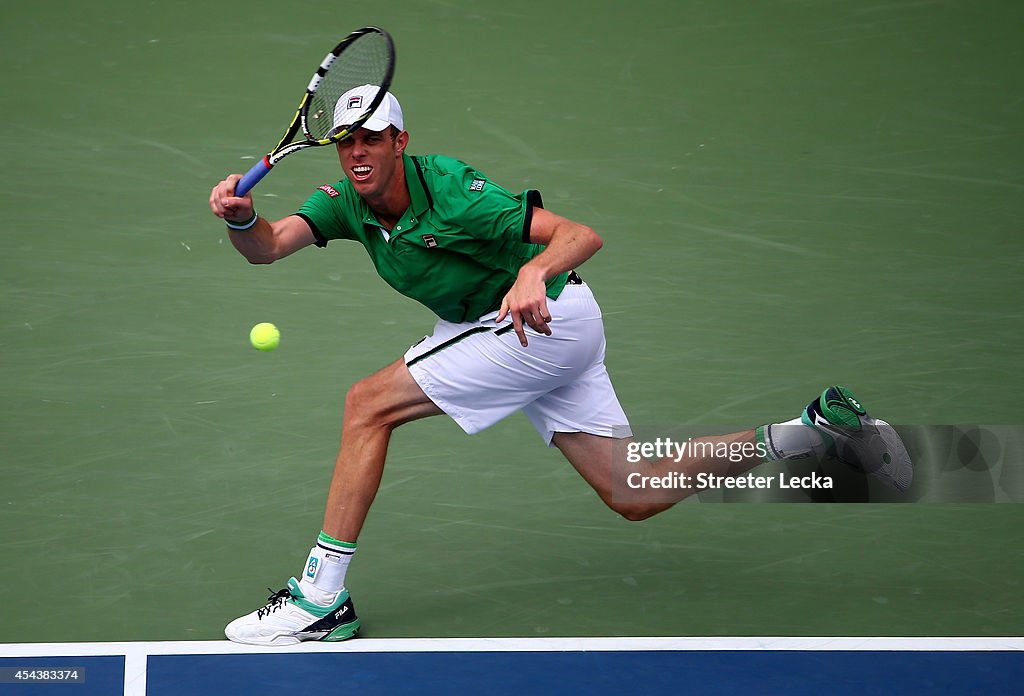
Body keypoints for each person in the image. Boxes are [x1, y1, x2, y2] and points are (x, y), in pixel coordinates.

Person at [208, 85, 912, 646]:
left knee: (368, 403)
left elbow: (581, 234)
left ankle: (320, 598)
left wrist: (533, 273)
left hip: (537, 320)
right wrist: (242, 217)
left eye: (372, 139)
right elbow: (268, 247)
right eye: (345, 141)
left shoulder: (451, 190)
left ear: (400, 142)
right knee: (633, 491)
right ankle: (809, 430)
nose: (357, 153)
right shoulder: (342, 204)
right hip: (532, 332)